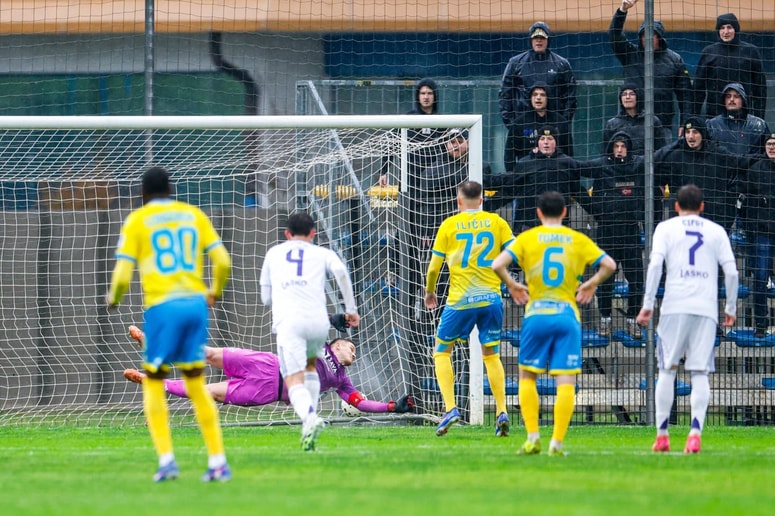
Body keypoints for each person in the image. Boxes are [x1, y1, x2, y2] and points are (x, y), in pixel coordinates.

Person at [106, 166, 233, 482]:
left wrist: (114, 296)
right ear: (172, 189)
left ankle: (167, 461)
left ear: (143, 194)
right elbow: (223, 262)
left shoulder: (137, 220)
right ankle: (218, 462)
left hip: (163, 306)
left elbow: (122, 274)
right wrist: (214, 292)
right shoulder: (193, 214)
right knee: (195, 382)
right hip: (194, 305)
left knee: (153, 380)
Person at [492, 191, 616, 456]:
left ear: (538, 213)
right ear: (565, 212)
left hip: (536, 314)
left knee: (527, 376)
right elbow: (609, 264)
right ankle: (556, 444)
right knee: (566, 382)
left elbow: (497, 264)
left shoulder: (528, 238)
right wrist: (591, 284)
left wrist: (513, 285)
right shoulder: (576, 239)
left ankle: (533, 437)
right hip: (567, 316)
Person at [636, 184, 739, 454]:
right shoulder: (716, 231)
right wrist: (730, 307)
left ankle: (662, 434)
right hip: (705, 308)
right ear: (702, 206)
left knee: (667, 370)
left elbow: (655, 265)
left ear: (676, 206)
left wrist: (647, 304)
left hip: (674, 306)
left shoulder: (665, 228)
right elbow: (731, 272)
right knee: (700, 371)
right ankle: (695, 432)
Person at [123, 325, 415, 414]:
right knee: (208, 354)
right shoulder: (320, 344)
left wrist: (392, 407)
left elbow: (359, 403)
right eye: (351, 346)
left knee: (208, 391)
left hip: (266, 391)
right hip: (266, 363)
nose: (355, 351)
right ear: (336, 346)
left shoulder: (341, 380)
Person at [259, 212, 360, 451]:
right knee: (311, 367)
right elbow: (342, 273)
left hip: (290, 323)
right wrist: (351, 309)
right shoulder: (323, 253)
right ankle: (308, 428)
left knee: (293, 377)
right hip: (318, 323)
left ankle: (310, 419)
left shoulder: (274, 253)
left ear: (287, 234)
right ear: (313, 233)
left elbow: (265, 299)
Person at [424, 180, 515, 437]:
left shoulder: (449, 225)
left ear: (458, 201)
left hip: (460, 301)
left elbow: (433, 268)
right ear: (482, 201)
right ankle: (501, 411)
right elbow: (514, 251)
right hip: (491, 299)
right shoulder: (496, 222)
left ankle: (451, 408)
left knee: (442, 351)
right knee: (491, 355)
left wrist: (430, 291)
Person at [581, 131, 646, 338]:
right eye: (616, 146)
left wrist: (641, 213)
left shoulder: (639, 165)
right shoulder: (601, 166)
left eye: (623, 146)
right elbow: (577, 170)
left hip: (631, 231)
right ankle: (605, 319)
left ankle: (632, 320)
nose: (619, 150)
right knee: (605, 279)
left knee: (636, 279)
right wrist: (594, 209)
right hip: (607, 231)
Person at [499, 21, 576, 169]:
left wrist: (561, 125)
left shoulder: (562, 64)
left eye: (542, 38)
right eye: (535, 38)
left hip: (555, 129)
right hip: (524, 129)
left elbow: (570, 98)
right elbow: (505, 95)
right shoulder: (516, 63)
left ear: (548, 40)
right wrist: (514, 126)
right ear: (530, 40)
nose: (539, 41)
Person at [654, 117, 750, 233]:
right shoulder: (675, 156)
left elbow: (741, 163)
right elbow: (655, 170)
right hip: (683, 219)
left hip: (713, 217)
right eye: (687, 132)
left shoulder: (717, 153)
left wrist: (731, 192)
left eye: (695, 132)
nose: (690, 136)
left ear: (703, 134)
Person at [609, 0, 693, 133]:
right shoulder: (629, 54)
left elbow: (686, 96)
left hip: (662, 126)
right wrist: (622, 10)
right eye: (644, 34)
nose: (647, 38)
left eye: (652, 34)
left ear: (659, 37)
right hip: (631, 124)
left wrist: (685, 123)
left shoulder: (674, 60)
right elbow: (614, 35)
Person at [486, 126, 584, 232]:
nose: (546, 142)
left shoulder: (567, 163)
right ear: (537, 143)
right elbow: (510, 190)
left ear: (556, 142)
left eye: (550, 139)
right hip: (528, 226)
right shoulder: (525, 163)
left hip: (558, 227)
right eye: (542, 139)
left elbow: (579, 191)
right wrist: (484, 206)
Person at [694, 13, 767, 120]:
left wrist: (759, 119)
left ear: (736, 30)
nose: (726, 32)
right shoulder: (709, 52)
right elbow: (698, 89)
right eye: (722, 28)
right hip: (714, 117)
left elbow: (760, 89)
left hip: (744, 118)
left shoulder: (751, 51)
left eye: (729, 27)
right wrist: (695, 118)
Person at [739, 134, 775, 337]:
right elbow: (745, 203)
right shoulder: (755, 169)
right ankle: (761, 323)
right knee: (760, 276)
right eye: (769, 144)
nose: (772, 147)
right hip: (762, 230)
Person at [505, 83, 573, 171]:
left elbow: (569, 153)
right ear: (530, 98)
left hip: (556, 173)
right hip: (527, 173)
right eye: (535, 94)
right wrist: (513, 177)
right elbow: (509, 154)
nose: (538, 97)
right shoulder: (519, 123)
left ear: (548, 98)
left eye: (542, 95)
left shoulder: (561, 122)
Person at [601, 82, 670, 156]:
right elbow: (605, 154)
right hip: (621, 166)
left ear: (638, 97)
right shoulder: (612, 124)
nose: (627, 97)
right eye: (624, 94)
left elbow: (661, 151)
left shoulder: (652, 121)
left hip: (646, 165)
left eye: (632, 94)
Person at [706, 83, 770, 156]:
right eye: (728, 96)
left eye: (736, 96)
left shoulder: (759, 125)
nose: (732, 100)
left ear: (743, 99)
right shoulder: (712, 124)